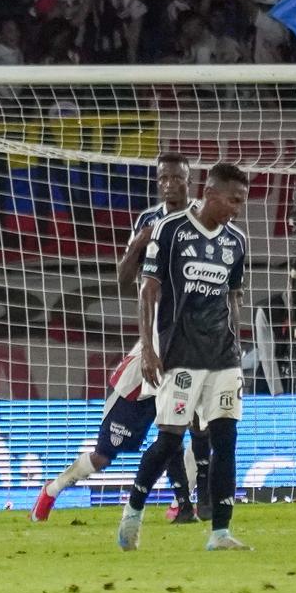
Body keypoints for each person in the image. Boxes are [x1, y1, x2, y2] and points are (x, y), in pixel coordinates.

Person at [32, 153, 204, 524]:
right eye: (163, 178)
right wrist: (140, 242)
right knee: (103, 454)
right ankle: (52, 491)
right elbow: (124, 278)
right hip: (154, 344)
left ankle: (184, 502)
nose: (169, 184)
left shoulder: (203, 218)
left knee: (199, 424)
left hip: (194, 341)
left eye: (176, 177)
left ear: (190, 180)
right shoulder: (148, 220)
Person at [118, 163, 251, 552]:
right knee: (169, 440)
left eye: (241, 202)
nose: (237, 209)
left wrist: (237, 338)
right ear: (210, 194)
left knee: (226, 438)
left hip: (223, 357)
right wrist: (148, 348)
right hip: (180, 354)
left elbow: (234, 293)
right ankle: (133, 511)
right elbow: (148, 290)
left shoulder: (237, 241)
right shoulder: (171, 229)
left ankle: (220, 533)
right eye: (233, 200)